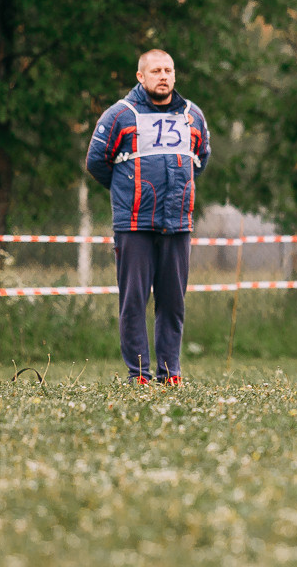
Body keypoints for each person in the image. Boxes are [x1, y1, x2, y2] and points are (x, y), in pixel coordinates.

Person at [86, 49, 211, 385]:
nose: (163, 76)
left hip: (178, 223)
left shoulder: (192, 115)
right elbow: (96, 162)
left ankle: (170, 373)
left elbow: (200, 158)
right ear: (141, 77)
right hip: (134, 225)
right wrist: (127, 191)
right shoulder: (119, 115)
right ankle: (139, 374)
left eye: (168, 70)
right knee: (134, 302)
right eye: (156, 71)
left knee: (173, 303)